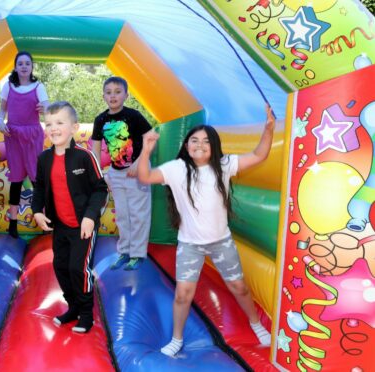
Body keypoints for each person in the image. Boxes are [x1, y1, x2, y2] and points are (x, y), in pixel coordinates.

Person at [137, 104, 275, 357]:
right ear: (187, 145)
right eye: (193, 140)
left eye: (205, 141)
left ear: (213, 146)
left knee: (240, 288)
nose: (199, 144)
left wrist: (268, 130)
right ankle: (176, 338)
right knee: (182, 295)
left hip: (221, 242)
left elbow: (259, 155)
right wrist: (146, 151)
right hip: (190, 244)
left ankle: (256, 323)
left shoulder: (223, 164)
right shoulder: (176, 169)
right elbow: (144, 177)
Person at [32, 101, 108, 333]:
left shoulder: (84, 157)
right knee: (61, 266)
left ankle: (86, 314)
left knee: (78, 268)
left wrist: (90, 217)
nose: (53, 128)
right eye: (49, 124)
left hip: (83, 225)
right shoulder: (44, 158)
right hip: (62, 226)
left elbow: (100, 189)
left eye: (60, 123)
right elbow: (40, 187)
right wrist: (36, 211)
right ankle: (73, 307)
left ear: (74, 127)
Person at [92, 76, 152, 271]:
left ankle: (138, 254)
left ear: (126, 95)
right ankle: (124, 251)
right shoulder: (100, 119)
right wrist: (98, 173)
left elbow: (150, 138)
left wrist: (139, 162)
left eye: (118, 92)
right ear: (103, 97)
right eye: (109, 92)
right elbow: (95, 148)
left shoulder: (133, 116)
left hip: (137, 169)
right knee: (123, 215)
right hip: (116, 172)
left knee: (138, 213)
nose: (113, 96)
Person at [0, 51, 50, 239]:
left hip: (32, 134)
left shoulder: (38, 86)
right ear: (15, 67)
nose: (24, 66)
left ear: (32, 67)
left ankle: (44, 221)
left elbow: (48, 109)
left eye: (27, 63)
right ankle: (13, 223)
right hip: (13, 135)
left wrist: (45, 109)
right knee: (16, 179)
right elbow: (2, 111)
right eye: (20, 63)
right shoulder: (8, 86)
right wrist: (0, 122)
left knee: (37, 178)